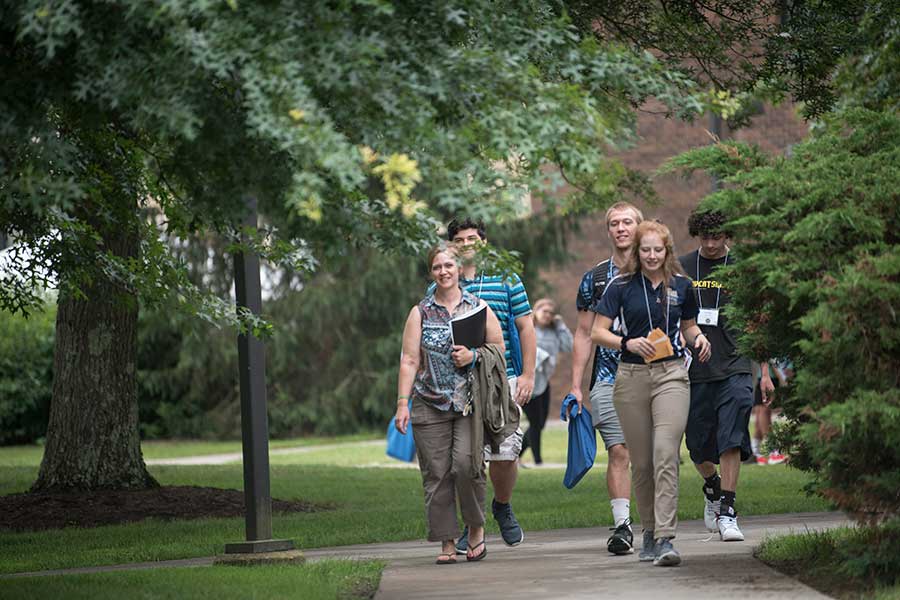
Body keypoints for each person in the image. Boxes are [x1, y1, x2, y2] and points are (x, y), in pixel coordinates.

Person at [592, 220, 712, 567]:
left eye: (658, 249)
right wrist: (626, 342)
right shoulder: (621, 286)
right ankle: (647, 531)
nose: (652, 255)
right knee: (642, 463)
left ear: (667, 250)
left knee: (665, 454)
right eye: (645, 249)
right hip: (631, 376)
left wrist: (699, 338)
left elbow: (689, 326)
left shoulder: (683, 286)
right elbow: (598, 333)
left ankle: (665, 539)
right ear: (637, 251)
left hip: (671, 375)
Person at [395, 243, 505, 564]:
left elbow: (497, 347)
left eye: (449, 266)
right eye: (437, 267)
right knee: (436, 473)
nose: (444, 271)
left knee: (466, 466)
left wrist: (474, 356)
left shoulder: (477, 307)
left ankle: (475, 529)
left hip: (469, 403)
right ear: (431, 272)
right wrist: (403, 403)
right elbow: (409, 359)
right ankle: (446, 541)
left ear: (459, 269)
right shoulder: (420, 312)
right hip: (429, 403)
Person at [678, 209, 773, 543]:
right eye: (704, 237)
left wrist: (764, 371)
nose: (710, 244)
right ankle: (713, 486)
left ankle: (728, 512)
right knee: (698, 446)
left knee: (731, 437)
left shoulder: (743, 267)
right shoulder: (683, 266)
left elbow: (756, 320)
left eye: (717, 237)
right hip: (695, 369)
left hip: (735, 363)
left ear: (728, 236)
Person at [443, 217, 536, 553]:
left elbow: (526, 327)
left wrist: (527, 375)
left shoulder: (506, 278)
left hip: (502, 377)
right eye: (460, 239)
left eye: (473, 238)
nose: (467, 244)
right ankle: (473, 523)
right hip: (458, 382)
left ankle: (502, 504)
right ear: (451, 244)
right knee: (467, 459)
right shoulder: (444, 280)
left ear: (483, 241)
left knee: (506, 453)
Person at [569, 201, 642, 555]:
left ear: (638, 226)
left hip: (652, 376)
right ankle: (622, 527)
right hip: (607, 378)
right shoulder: (595, 279)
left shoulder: (657, 272)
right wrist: (575, 386)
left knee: (651, 456)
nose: (621, 228)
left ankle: (658, 525)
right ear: (608, 230)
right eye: (614, 223)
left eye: (627, 222)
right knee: (618, 450)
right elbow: (583, 334)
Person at [520, 298, 573, 466]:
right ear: (536, 311)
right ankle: (538, 461)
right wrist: (541, 356)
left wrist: (561, 326)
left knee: (540, 424)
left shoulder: (554, 332)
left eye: (551, 313)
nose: (548, 315)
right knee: (535, 423)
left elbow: (568, 346)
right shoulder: (529, 329)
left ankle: (516, 454)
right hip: (528, 382)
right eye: (545, 311)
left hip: (544, 382)